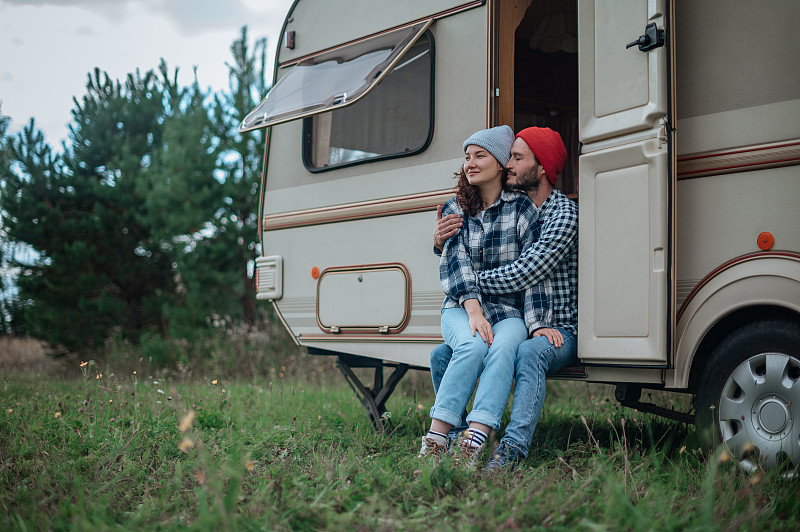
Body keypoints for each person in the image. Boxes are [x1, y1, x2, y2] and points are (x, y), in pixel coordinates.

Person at [431, 126, 579, 471]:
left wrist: (467, 282)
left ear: (541, 167)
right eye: (508, 156)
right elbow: (458, 254)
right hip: (502, 312)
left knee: (527, 352)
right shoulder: (478, 207)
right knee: (443, 353)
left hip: (555, 324)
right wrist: (443, 249)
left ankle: (508, 451)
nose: (509, 164)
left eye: (516, 157)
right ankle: (451, 438)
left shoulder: (561, 215)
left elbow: (527, 273)